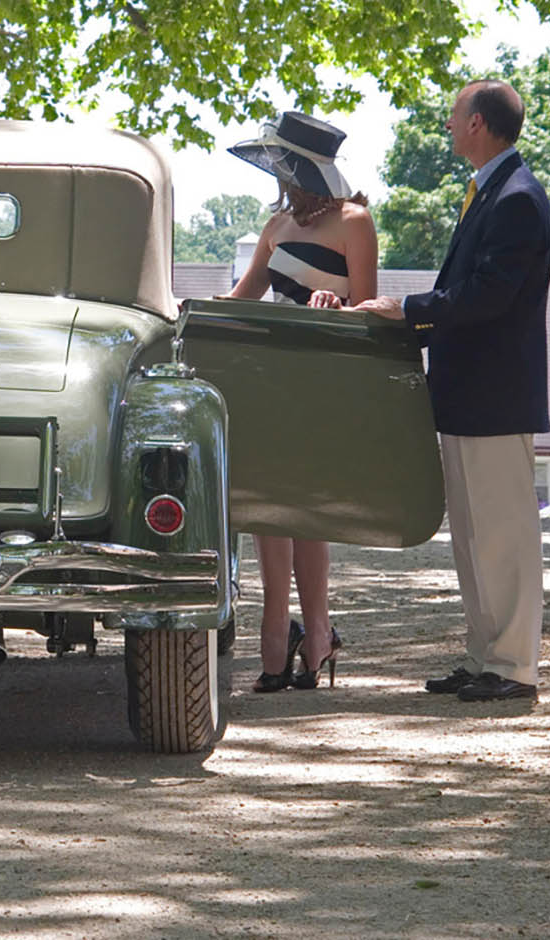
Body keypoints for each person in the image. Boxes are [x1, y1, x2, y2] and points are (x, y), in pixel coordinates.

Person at [354, 79, 550, 704]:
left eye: (454, 114)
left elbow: (490, 295)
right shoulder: (488, 191)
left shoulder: (517, 198)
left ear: (479, 124)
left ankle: (516, 665)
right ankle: (485, 656)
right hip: (469, 393)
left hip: (497, 395)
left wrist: (409, 309)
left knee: (503, 534)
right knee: (470, 536)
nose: (446, 124)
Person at [225, 111, 379, 692]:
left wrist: (338, 308)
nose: (277, 172)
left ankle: (314, 632)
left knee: (307, 508)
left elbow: (370, 308)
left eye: (284, 161)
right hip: (271, 378)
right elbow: (241, 300)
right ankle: (276, 629)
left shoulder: (355, 222)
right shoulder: (275, 227)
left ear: (306, 164)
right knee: (270, 503)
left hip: (322, 378)